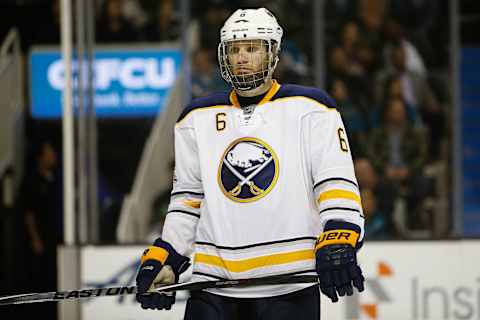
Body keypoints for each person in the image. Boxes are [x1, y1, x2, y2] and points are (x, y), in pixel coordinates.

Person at [135, 8, 365, 319]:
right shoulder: (195, 118)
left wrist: (340, 232)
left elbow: (334, 182)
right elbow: (187, 200)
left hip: (289, 283)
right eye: (234, 50)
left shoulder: (311, 108)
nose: (241, 57)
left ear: (273, 53)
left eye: (252, 48)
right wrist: (169, 256)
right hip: (213, 286)